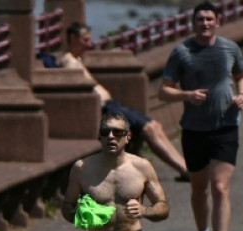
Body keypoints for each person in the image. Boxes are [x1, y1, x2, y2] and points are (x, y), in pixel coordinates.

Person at [158, 2, 243, 231]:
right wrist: (187, 96)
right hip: (194, 129)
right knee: (199, 188)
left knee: (220, 187)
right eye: (200, 19)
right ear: (193, 23)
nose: (205, 23)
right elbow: (163, 91)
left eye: (210, 19)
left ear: (218, 22)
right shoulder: (182, 52)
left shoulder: (229, 48)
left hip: (226, 126)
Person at [62, 22, 190, 182]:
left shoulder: (77, 59)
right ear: (73, 38)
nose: (90, 44)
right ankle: (184, 169)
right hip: (104, 108)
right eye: (85, 40)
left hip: (111, 105)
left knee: (155, 126)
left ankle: (185, 167)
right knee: (150, 128)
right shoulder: (68, 61)